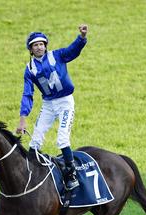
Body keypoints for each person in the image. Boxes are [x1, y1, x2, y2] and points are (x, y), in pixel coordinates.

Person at [16, 24, 89, 190]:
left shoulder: (57, 55)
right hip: (48, 104)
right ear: (30, 49)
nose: (39, 47)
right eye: (35, 45)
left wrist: (82, 38)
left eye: (41, 44)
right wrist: (22, 119)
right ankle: (31, 174)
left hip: (65, 102)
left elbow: (73, 51)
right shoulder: (29, 69)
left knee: (62, 138)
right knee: (35, 140)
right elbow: (27, 94)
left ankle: (71, 175)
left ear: (45, 45)